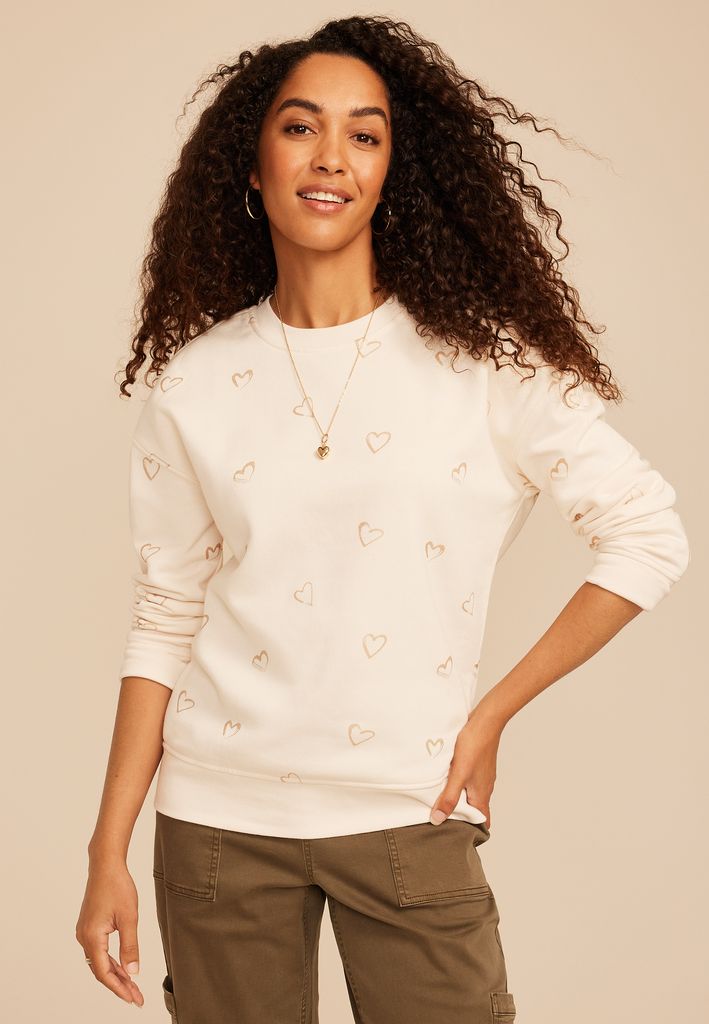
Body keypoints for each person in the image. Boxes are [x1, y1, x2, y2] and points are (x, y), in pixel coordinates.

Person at [75, 14, 690, 1023]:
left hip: (410, 809)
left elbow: (647, 533)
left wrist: (491, 714)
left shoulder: (482, 363)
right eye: (300, 127)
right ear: (252, 165)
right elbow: (165, 614)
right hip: (218, 823)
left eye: (364, 135)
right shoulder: (195, 383)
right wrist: (108, 849)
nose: (331, 157)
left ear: (393, 170)